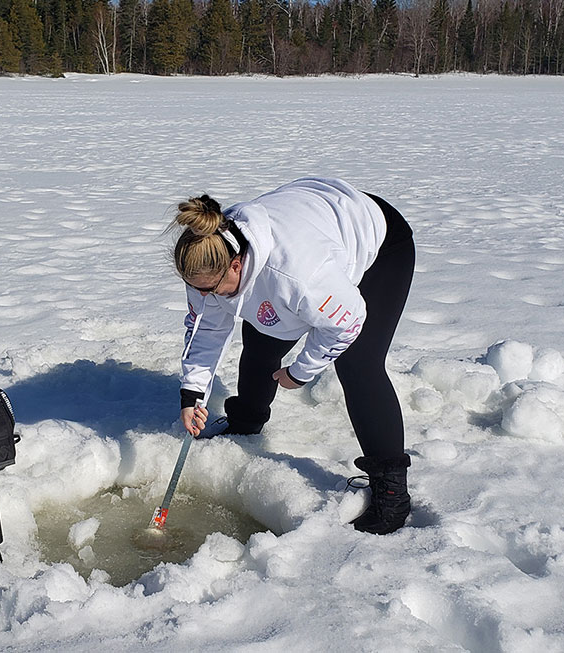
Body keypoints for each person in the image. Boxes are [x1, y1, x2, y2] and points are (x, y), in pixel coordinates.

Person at [171, 177, 416, 535]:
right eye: (196, 288)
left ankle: (392, 494)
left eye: (210, 289)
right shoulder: (208, 259)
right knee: (259, 337)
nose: (204, 296)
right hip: (318, 223)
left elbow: (346, 324)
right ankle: (246, 422)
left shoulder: (298, 276)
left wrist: (301, 371)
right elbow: (207, 327)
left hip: (379, 244)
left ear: (237, 265)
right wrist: (192, 393)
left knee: (358, 363)